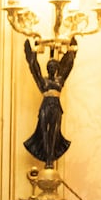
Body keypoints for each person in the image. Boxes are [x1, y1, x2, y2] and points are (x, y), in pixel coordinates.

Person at [22, 39, 77, 167]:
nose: (51, 68)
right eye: (49, 67)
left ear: (57, 68)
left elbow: (69, 65)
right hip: (45, 108)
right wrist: (33, 52)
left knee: (54, 132)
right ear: (47, 68)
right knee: (44, 132)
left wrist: (71, 50)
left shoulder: (60, 80)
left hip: (56, 108)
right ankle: (47, 158)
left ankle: (50, 159)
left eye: (54, 66)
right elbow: (34, 67)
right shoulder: (43, 81)